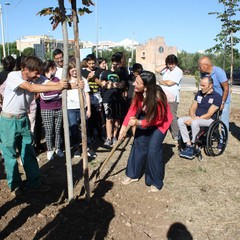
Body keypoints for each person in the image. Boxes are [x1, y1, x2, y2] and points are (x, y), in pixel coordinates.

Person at [0, 56, 68, 196]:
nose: (38, 76)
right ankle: (15, 185)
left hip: (23, 119)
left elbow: (52, 83)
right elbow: (30, 88)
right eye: (35, 73)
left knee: (28, 152)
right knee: (10, 154)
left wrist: (71, 85)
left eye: (39, 73)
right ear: (25, 69)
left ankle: (34, 183)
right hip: (8, 121)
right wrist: (58, 86)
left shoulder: (36, 78)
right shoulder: (14, 76)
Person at [119, 71, 173, 192]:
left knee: (153, 150)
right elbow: (133, 109)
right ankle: (133, 174)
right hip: (146, 117)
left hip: (160, 122)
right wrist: (123, 128)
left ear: (147, 86)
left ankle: (155, 181)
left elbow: (157, 121)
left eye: (137, 82)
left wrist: (138, 123)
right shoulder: (138, 92)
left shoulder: (158, 97)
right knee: (138, 143)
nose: (134, 84)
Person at [178, 77, 222, 160]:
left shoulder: (217, 97)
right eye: (200, 85)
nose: (201, 87)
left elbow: (209, 114)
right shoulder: (199, 94)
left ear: (210, 85)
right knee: (180, 120)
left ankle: (195, 145)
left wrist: (194, 120)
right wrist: (192, 117)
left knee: (195, 123)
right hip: (196, 118)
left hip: (209, 120)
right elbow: (192, 108)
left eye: (203, 85)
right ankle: (188, 144)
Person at [67, 58, 96, 158]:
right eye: (72, 70)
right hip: (70, 108)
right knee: (74, 128)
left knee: (85, 127)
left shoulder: (83, 80)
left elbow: (87, 95)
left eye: (76, 70)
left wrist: (89, 109)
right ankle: (76, 148)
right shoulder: (67, 81)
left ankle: (88, 147)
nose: (74, 72)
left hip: (82, 108)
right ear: (69, 70)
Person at [100, 53, 128, 147]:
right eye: (114, 63)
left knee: (117, 119)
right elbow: (104, 84)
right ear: (111, 63)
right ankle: (108, 138)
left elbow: (122, 85)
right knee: (109, 118)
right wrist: (115, 84)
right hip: (107, 99)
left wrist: (111, 84)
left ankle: (115, 136)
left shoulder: (122, 73)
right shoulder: (105, 73)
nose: (115, 65)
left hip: (118, 99)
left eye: (117, 63)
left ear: (120, 63)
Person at [40, 60, 64, 161]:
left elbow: (62, 92)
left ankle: (58, 148)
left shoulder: (56, 79)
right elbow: (44, 96)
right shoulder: (41, 80)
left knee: (58, 130)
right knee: (49, 131)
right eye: (55, 67)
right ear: (51, 68)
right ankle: (49, 150)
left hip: (58, 108)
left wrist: (55, 92)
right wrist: (57, 93)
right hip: (46, 109)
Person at [198, 56, 230, 132]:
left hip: (223, 100)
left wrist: (222, 102)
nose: (198, 68)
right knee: (211, 119)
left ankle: (222, 142)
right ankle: (212, 136)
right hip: (212, 99)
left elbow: (226, 88)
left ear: (206, 65)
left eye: (200, 66)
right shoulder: (203, 73)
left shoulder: (219, 72)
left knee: (223, 121)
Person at [156, 54, 183, 142]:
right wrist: (165, 64)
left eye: (173, 63)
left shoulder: (178, 71)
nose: (171, 65)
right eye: (169, 63)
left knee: (172, 116)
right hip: (163, 96)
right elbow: (156, 70)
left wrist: (160, 81)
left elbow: (169, 83)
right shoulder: (167, 69)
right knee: (161, 114)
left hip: (172, 97)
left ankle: (176, 134)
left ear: (176, 63)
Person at [81, 54, 103, 143]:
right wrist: (89, 77)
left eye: (93, 63)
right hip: (87, 96)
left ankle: (99, 136)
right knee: (88, 118)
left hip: (97, 95)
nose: (91, 65)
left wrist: (94, 78)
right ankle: (89, 137)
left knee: (98, 118)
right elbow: (84, 81)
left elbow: (101, 83)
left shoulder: (98, 71)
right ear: (87, 63)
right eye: (89, 63)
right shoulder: (83, 72)